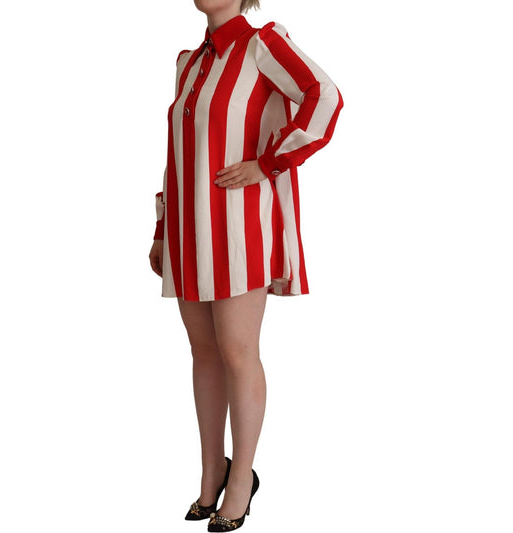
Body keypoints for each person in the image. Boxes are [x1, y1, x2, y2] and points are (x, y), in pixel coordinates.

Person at [148, 0, 343, 530]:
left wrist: (269, 162)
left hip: (239, 227)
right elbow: (177, 151)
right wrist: (162, 226)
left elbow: (324, 96)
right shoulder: (189, 63)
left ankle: (242, 480)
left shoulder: (261, 45)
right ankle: (211, 472)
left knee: (237, 350)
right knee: (203, 351)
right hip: (189, 227)